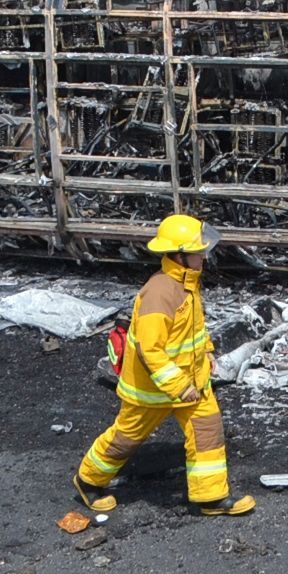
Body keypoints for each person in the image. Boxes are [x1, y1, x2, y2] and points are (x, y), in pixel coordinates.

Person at [75, 214, 255, 519]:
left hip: (191, 381)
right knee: (125, 438)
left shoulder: (186, 284)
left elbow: (194, 331)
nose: (204, 256)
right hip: (152, 389)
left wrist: (207, 353)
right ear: (180, 255)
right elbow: (150, 350)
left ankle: (211, 498)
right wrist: (178, 385)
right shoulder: (160, 293)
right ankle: (88, 480)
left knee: (206, 430)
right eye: (199, 252)